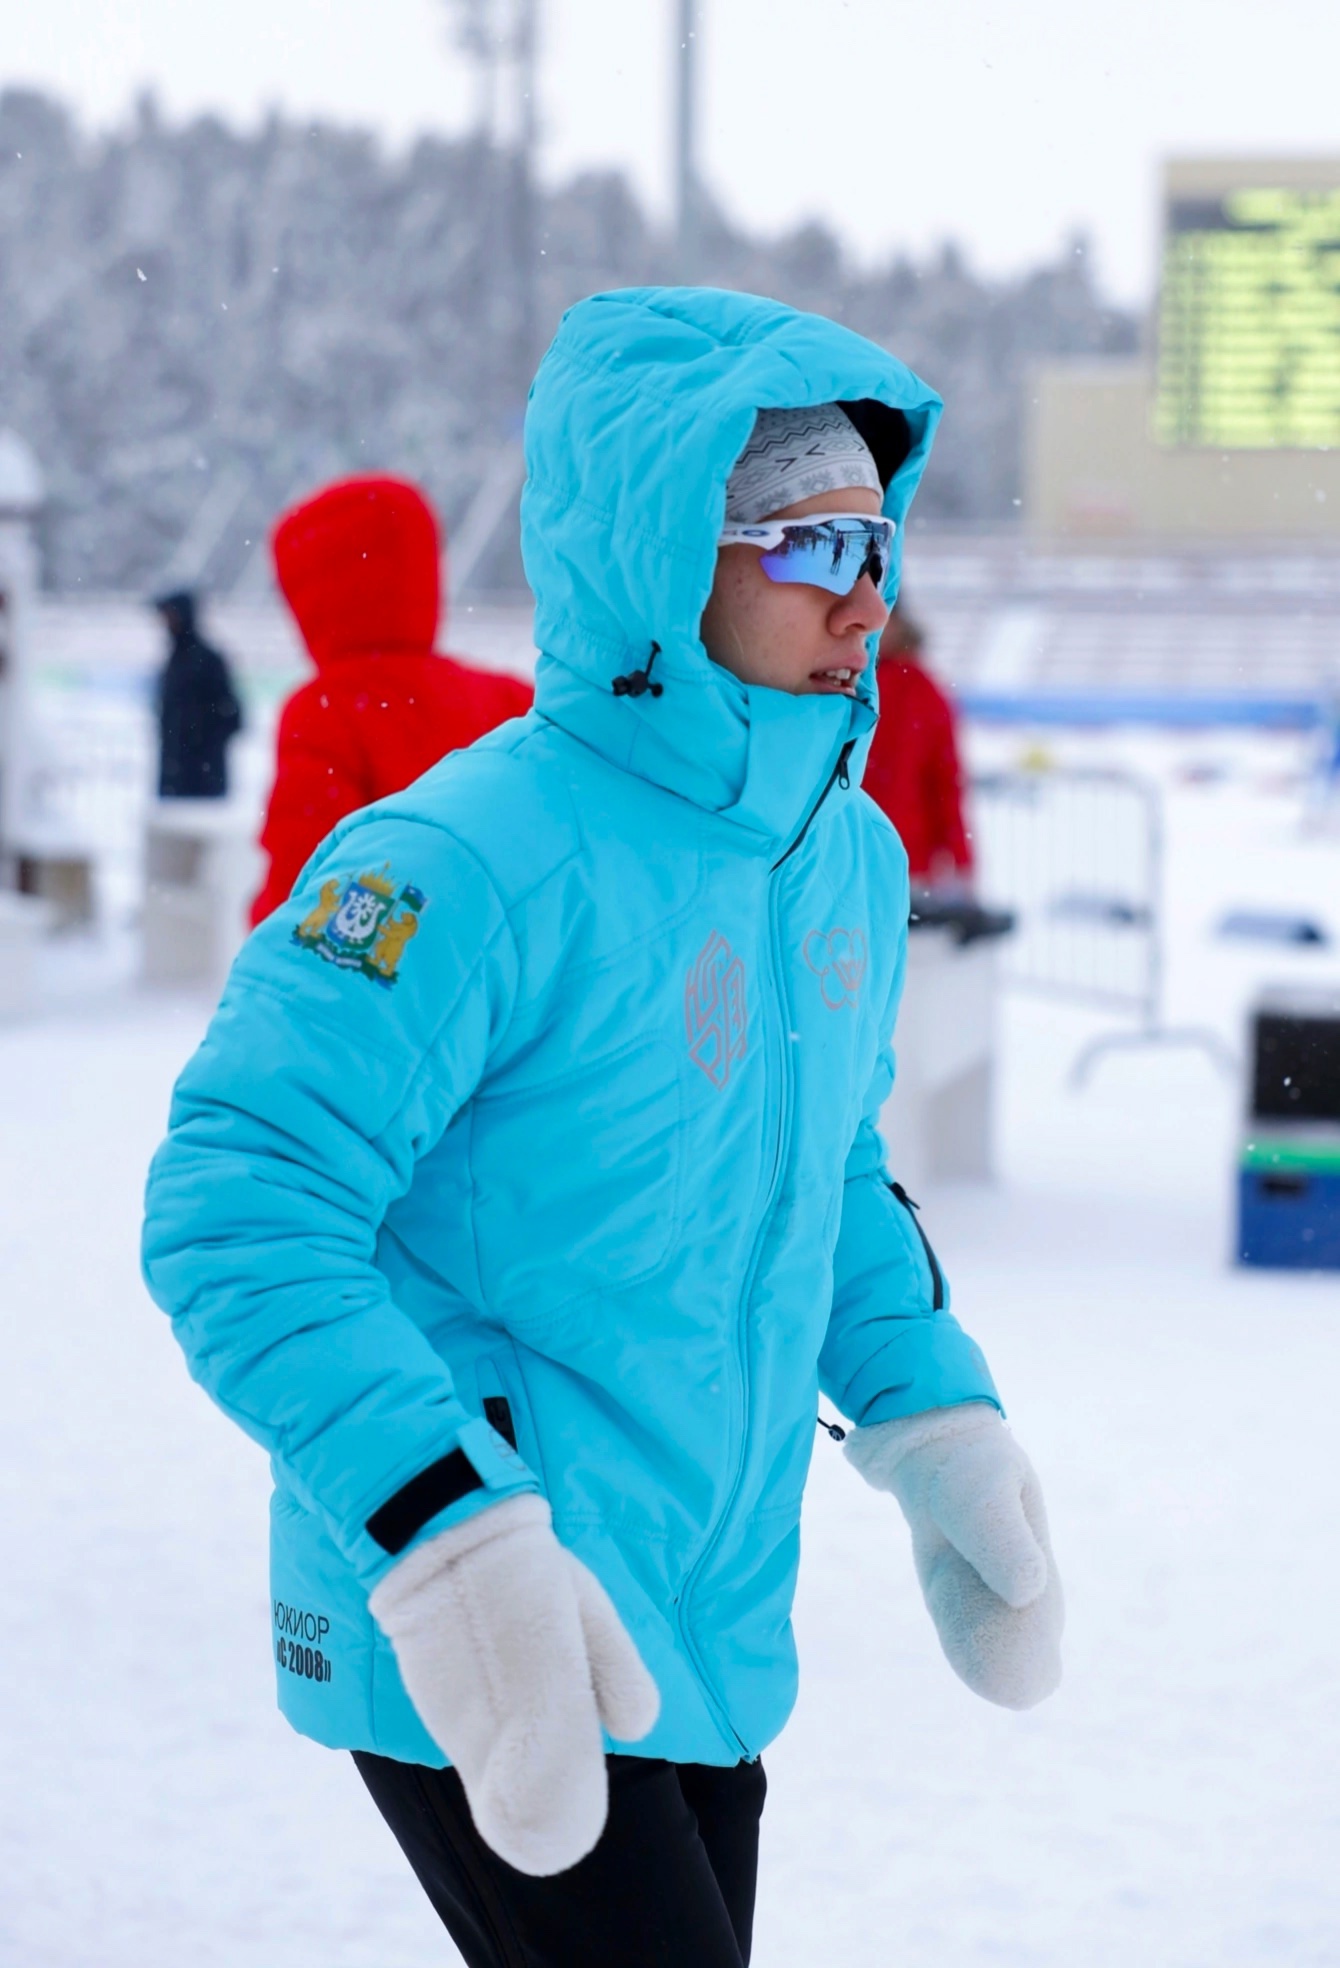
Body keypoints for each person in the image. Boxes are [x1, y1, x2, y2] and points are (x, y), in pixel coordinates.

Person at [143, 288, 1063, 1968]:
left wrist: (935, 1411)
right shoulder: (468, 854)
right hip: (485, 1620)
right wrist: (447, 1530)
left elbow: (824, 1174)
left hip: (703, 1611)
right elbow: (238, 1199)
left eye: (880, 546)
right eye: (805, 544)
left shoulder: (833, 856)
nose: (864, 596)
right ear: (660, 550)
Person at [249, 474, 532, 925]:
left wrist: (266, 959)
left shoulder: (324, 711)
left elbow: (303, 870)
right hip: (511, 953)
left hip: (388, 966)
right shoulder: (507, 696)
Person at [862, 601, 974, 897]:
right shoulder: (844, 681)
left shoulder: (923, 692)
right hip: (845, 853)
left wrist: (961, 860)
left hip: (906, 860)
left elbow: (946, 783)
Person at [152, 588, 242, 799]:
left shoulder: (208, 659)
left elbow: (233, 716)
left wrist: (201, 747)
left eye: (170, 615)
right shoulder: (173, 659)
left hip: (203, 783)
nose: (165, 622)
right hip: (174, 780)